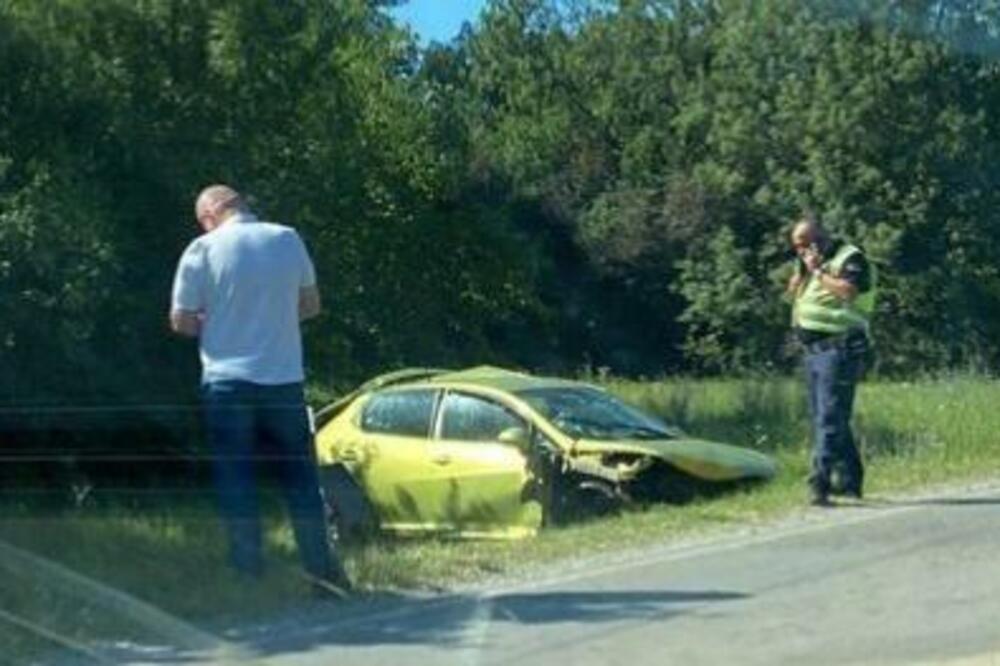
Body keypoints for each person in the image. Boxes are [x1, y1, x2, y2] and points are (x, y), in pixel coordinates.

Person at [169, 185, 350, 595]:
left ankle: (248, 573)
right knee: (300, 480)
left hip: (227, 380)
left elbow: (180, 320)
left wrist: (215, 322)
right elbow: (311, 305)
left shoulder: (202, 250)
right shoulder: (286, 239)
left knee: (237, 478)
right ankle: (322, 573)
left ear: (212, 212)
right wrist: (274, 320)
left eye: (202, 218)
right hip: (282, 378)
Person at [787, 211, 877, 507]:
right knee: (828, 418)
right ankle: (850, 481)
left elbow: (849, 291)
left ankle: (819, 484)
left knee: (829, 418)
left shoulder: (850, 259)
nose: (799, 251)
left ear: (819, 239)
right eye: (796, 246)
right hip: (814, 352)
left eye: (804, 244)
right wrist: (802, 278)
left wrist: (816, 272)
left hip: (839, 349)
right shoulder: (813, 265)